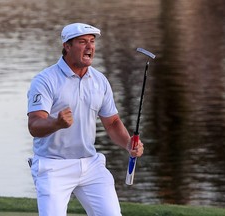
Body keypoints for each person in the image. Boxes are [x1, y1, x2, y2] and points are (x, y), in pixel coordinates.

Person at [27, 23, 144, 216]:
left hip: (90, 165)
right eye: (82, 42)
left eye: (92, 41)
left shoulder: (100, 81)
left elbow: (112, 122)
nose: (90, 47)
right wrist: (56, 123)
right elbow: (34, 125)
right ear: (67, 46)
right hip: (53, 166)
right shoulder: (45, 80)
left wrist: (128, 143)